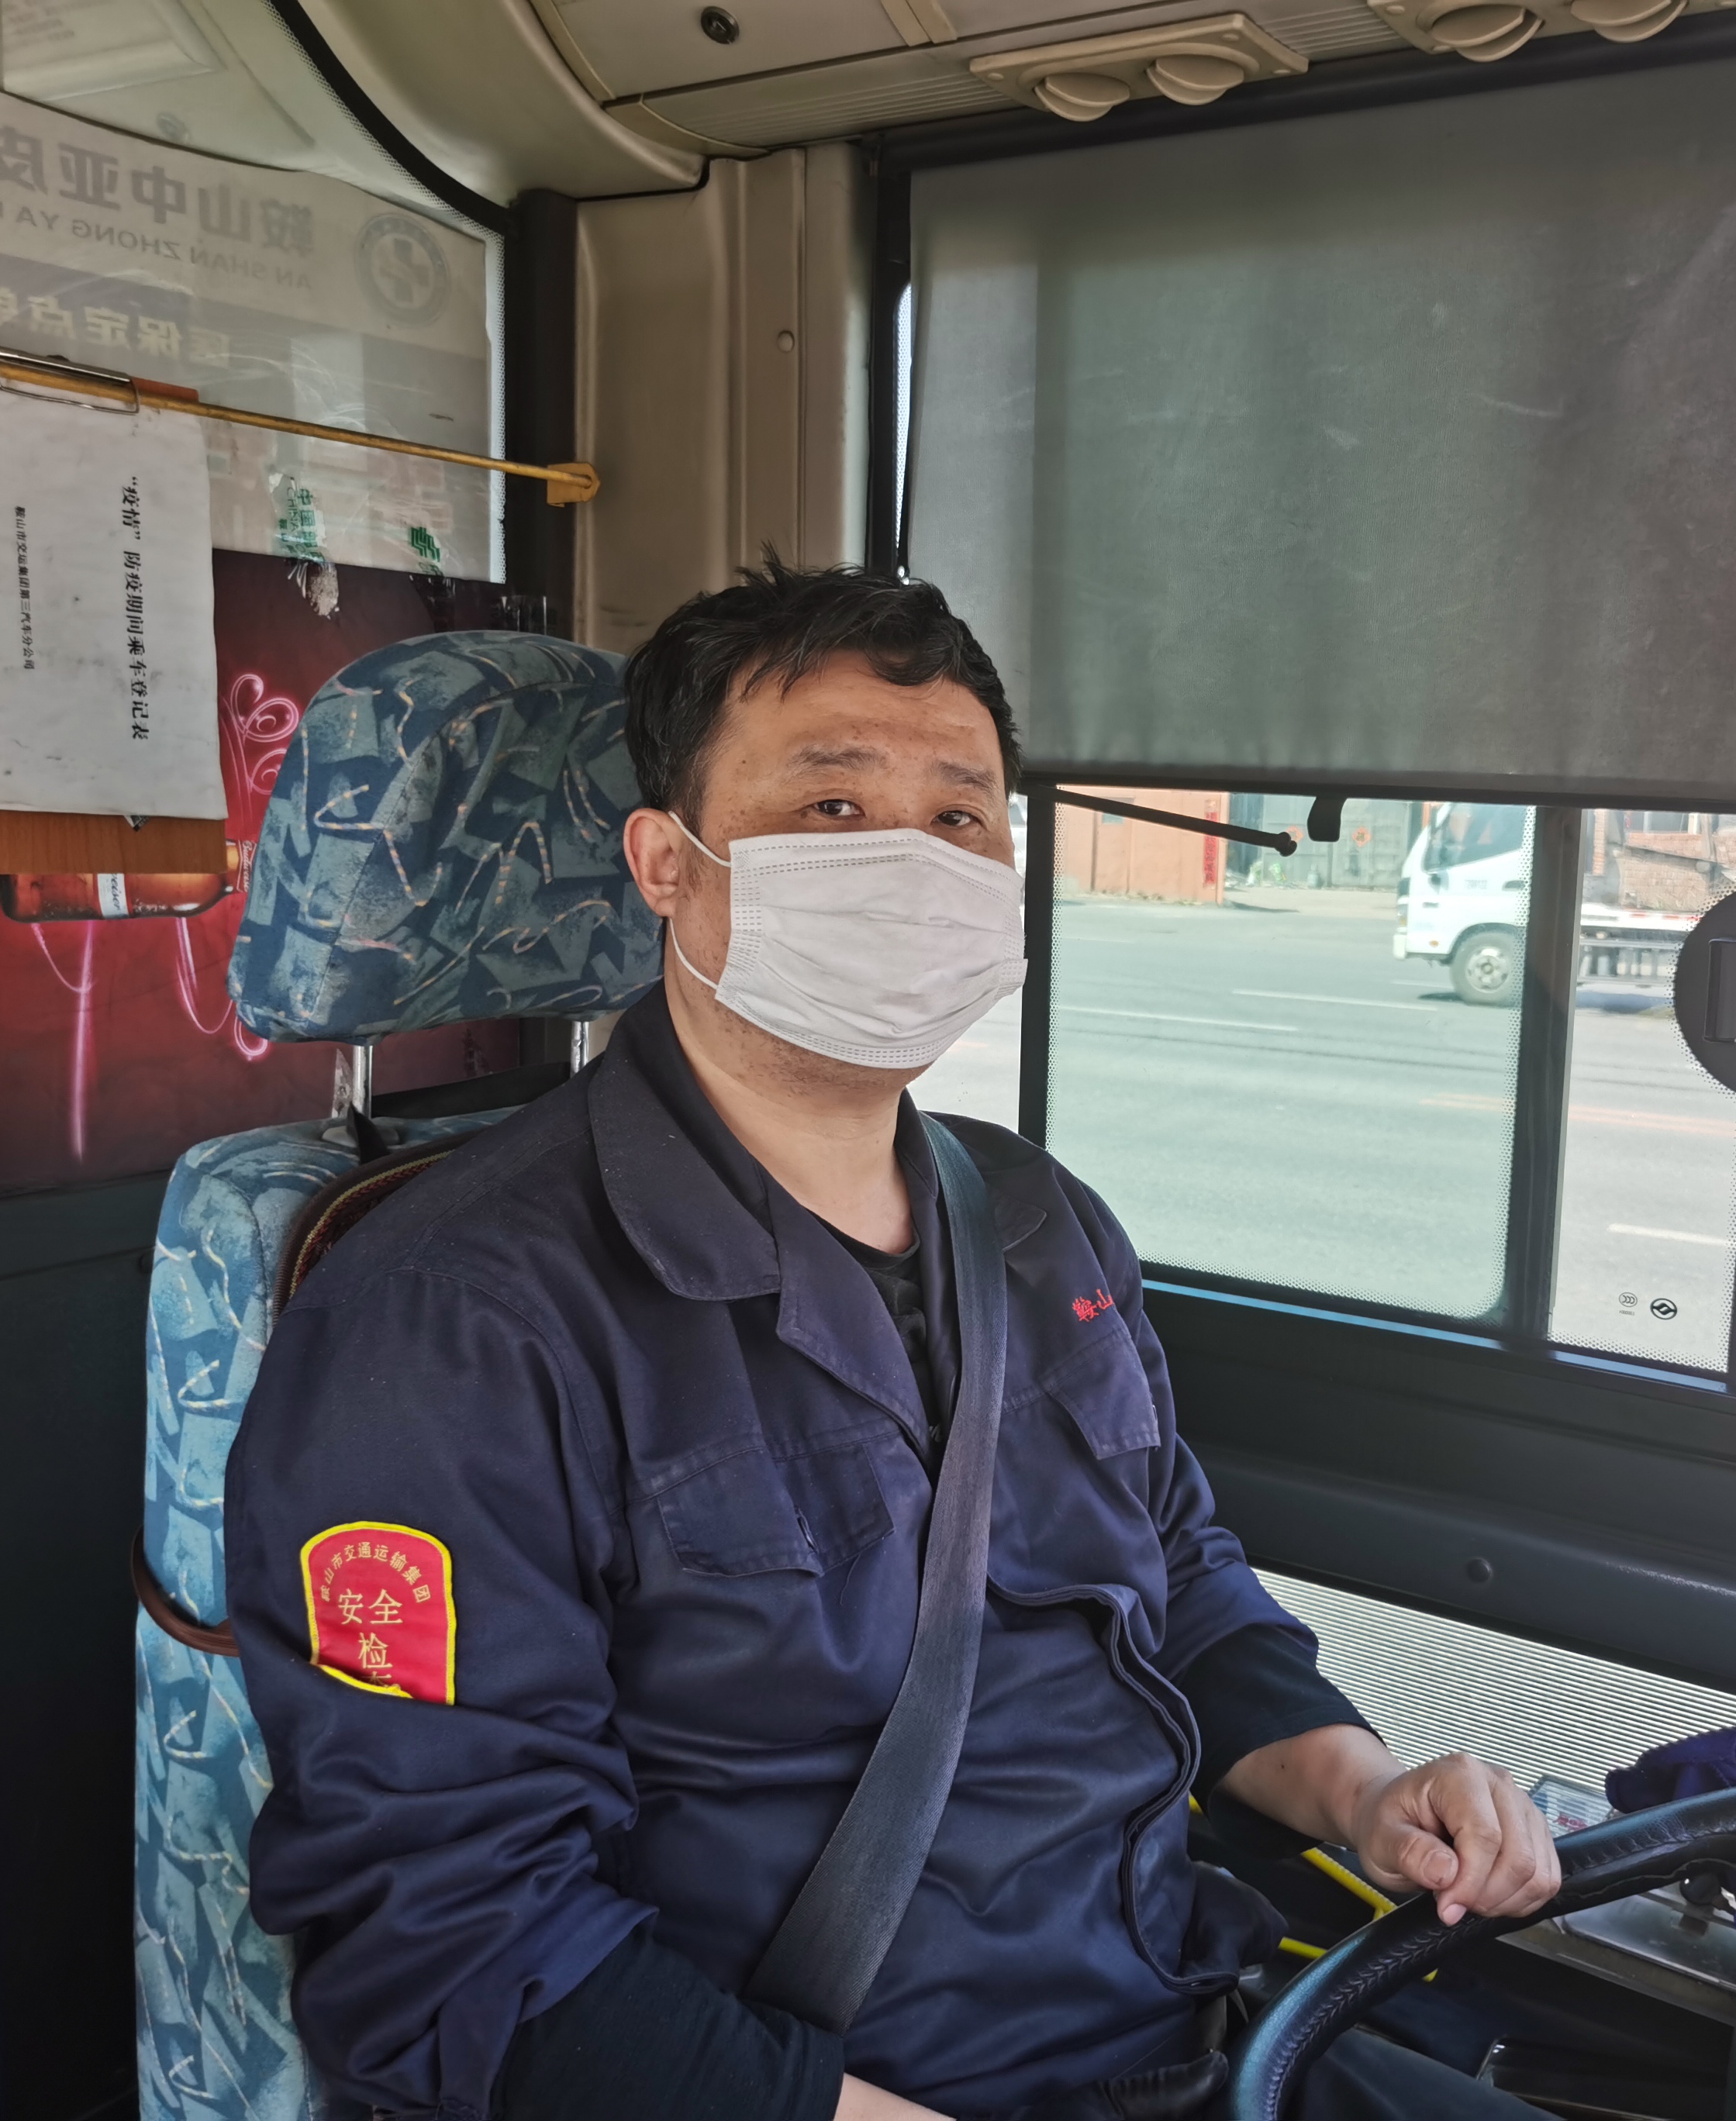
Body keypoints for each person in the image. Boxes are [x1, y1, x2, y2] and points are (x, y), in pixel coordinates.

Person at [227, 560, 1562, 2121]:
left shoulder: (1038, 1221)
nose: (914, 867)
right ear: (666, 863)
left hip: (1191, 2018)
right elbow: (453, 1944)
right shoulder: (453, 1319)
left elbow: (1176, 1579)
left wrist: (1366, 1788)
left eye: (960, 818)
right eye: (834, 808)